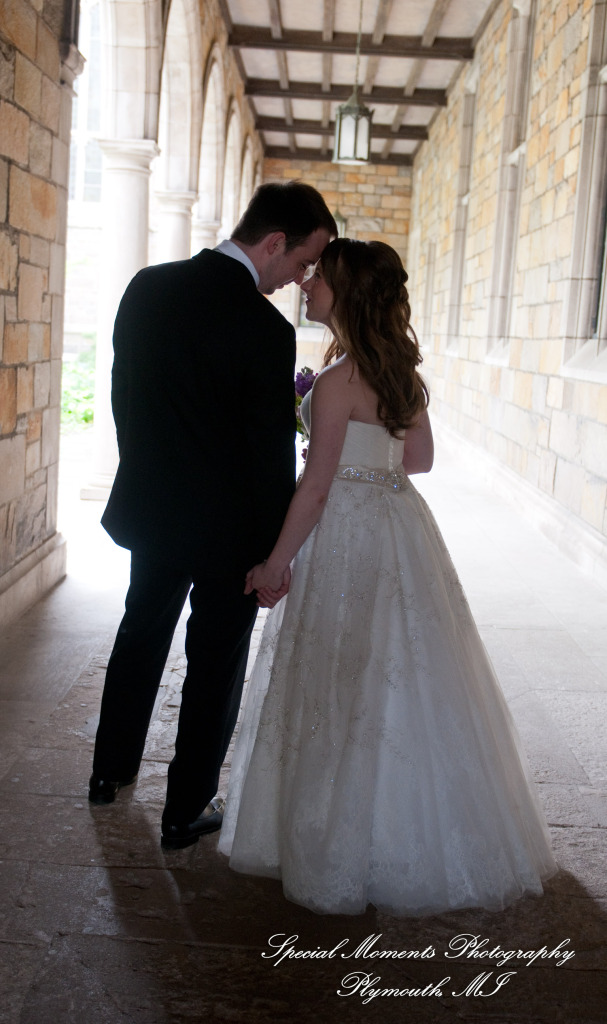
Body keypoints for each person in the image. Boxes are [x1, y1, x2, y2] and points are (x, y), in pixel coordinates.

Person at [218, 238, 557, 916]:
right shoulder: (397, 371)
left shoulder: (337, 380)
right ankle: (408, 835)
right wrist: (368, 458)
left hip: (344, 533)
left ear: (345, 294)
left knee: (337, 678)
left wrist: (274, 563)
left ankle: (333, 841)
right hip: (398, 526)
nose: (306, 284)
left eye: (319, 278)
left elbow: (315, 489)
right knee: (398, 674)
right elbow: (419, 460)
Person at [88, 181, 337, 851]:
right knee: (215, 661)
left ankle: (108, 772)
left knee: (140, 633)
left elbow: (122, 396)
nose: (301, 278)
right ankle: (185, 809)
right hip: (231, 531)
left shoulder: (149, 287)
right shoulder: (266, 329)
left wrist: (148, 476)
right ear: (274, 242)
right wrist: (272, 553)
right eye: (302, 262)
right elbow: (266, 452)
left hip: (155, 510)